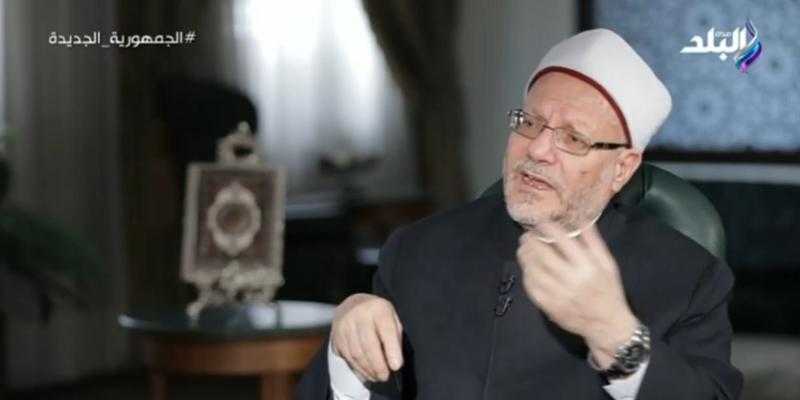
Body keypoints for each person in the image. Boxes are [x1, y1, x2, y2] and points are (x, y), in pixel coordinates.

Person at [296, 28, 743, 399]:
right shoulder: (416, 248)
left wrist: (615, 335)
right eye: (529, 123)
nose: (539, 149)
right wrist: (346, 350)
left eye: (574, 138)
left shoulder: (690, 278)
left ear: (622, 169)